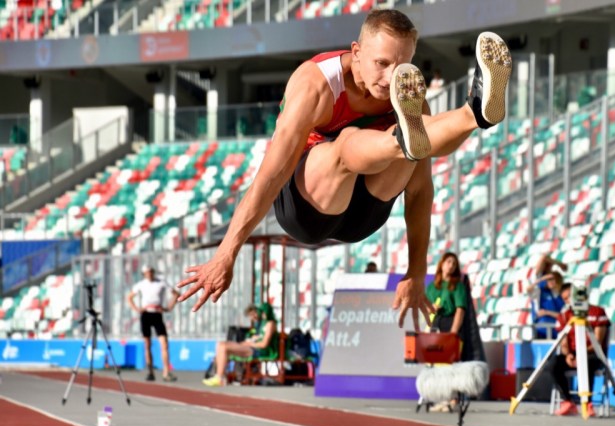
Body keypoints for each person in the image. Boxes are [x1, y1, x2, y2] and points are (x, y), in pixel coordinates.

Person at [176, 9, 512, 332]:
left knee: (411, 149)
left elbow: (420, 190)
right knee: (350, 141)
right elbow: (271, 175)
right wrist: (226, 252)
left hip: (364, 214)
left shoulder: (405, 92)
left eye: (402, 66)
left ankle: (475, 114)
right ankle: (405, 140)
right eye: (381, 64)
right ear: (357, 52)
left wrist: (416, 271)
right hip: (307, 208)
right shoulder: (316, 85)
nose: (390, 77)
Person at [551, 283, 610, 417]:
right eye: (564, 299)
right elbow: (564, 343)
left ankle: (587, 403)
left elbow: (598, 342)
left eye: (569, 297)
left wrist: (580, 355)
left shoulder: (598, 313)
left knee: (586, 363)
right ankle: (567, 401)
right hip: (572, 355)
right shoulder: (564, 316)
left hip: (593, 355)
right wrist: (569, 355)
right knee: (554, 363)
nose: (568, 301)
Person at [203, 303, 279, 387]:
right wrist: (251, 339)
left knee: (224, 347)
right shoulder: (261, 324)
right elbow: (259, 337)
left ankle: (219, 378)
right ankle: (219, 375)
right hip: (252, 347)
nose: (260, 314)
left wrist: (249, 343)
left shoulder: (270, 324)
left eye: (262, 312)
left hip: (260, 351)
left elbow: (264, 344)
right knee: (221, 344)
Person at [127, 265, 179, 382]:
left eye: (150, 272)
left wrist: (168, 308)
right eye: (147, 272)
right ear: (144, 274)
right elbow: (129, 297)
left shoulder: (161, 282)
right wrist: (137, 308)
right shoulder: (141, 284)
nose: (149, 274)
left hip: (157, 314)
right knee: (147, 344)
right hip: (146, 314)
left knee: (164, 343)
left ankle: (166, 372)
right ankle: (150, 371)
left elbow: (176, 294)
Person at [425, 252, 467, 339]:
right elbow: (425, 309)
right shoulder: (431, 287)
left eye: (454, 264)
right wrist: (431, 308)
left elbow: (460, 311)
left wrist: (453, 333)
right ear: (442, 263)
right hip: (434, 323)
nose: (451, 265)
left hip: (450, 322)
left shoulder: (458, 286)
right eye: (449, 262)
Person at [529, 271, 564, 339]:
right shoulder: (540, 292)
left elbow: (563, 315)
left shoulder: (562, 295)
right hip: (541, 330)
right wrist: (541, 279)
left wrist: (547, 312)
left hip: (557, 329)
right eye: (548, 280)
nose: (550, 282)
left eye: (553, 279)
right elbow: (528, 289)